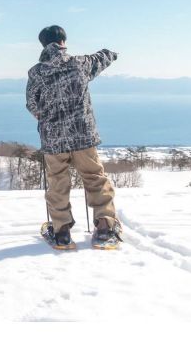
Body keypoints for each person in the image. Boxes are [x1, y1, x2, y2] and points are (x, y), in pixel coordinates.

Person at [25, 25, 122, 249]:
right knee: (95, 178)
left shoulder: (36, 72)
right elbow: (102, 57)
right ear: (63, 42)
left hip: (53, 140)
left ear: (43, 44)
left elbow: (31, 104)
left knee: (57, 183)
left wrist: (45, 118)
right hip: (83, 137)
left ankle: (62, 233)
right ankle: (105, 227)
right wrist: (112, 52)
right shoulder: (80, 64)